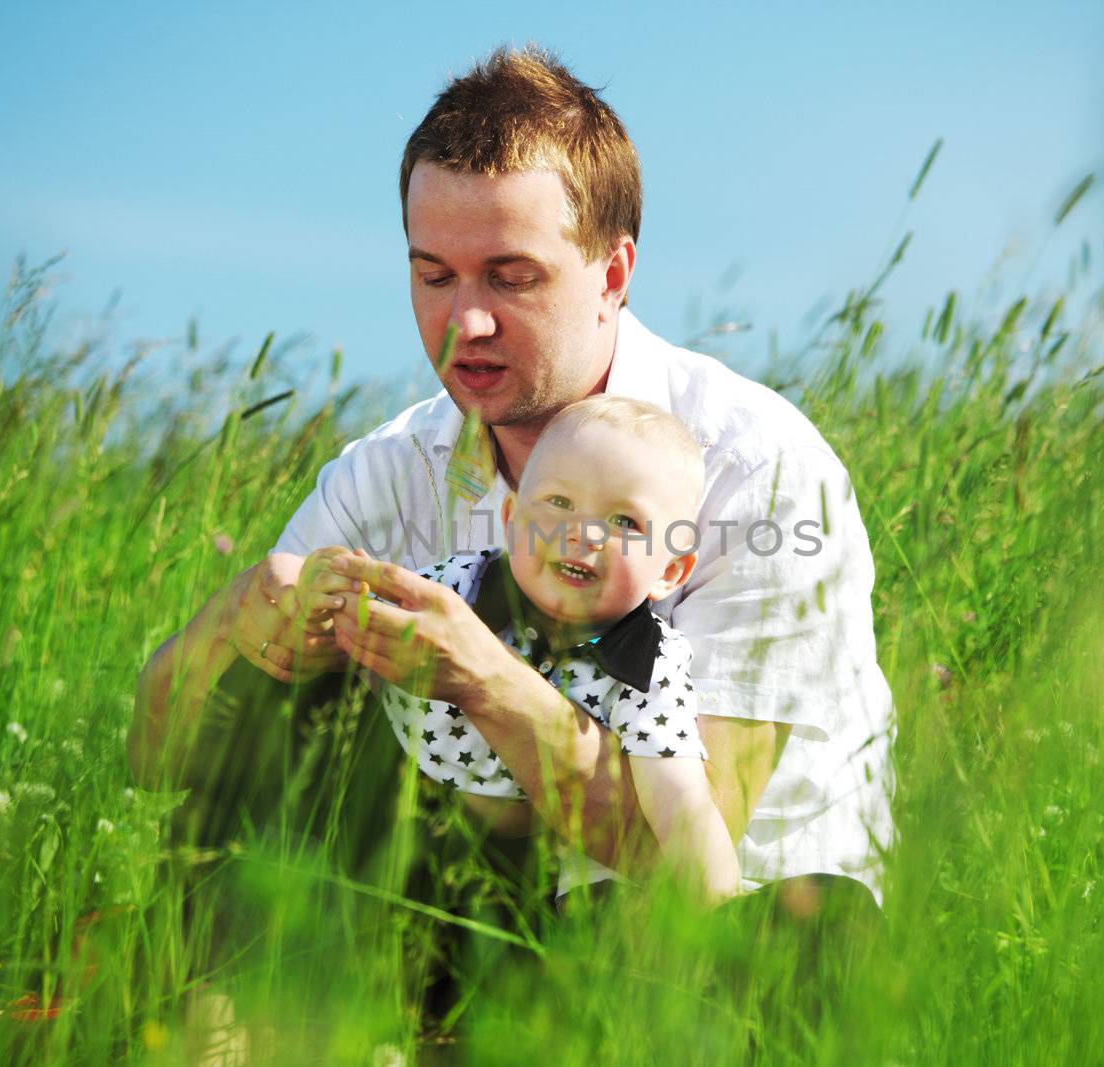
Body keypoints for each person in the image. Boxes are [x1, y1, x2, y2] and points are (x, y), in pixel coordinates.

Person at [129, 43, 892, 918]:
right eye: (433, 275)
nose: (467, 322)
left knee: (813, 936)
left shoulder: (757, 469)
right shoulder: (389, 472)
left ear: (612, 275)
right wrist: (232, 623)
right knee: (295, 667)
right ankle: (233, 1023)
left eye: (511, 276)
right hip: (479, 909)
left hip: (725, 936)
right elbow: (155, 762)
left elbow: (686, 851)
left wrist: (483, 680)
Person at [314, 395, 740, 904]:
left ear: (669, 571)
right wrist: (334, 595)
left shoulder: (648, 666)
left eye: (625, 522)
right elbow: (359, 637)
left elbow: (678, 798)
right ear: (513, 517)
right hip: (389, 805)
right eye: (559, 503)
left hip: (510, 869)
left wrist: (717, 906)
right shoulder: (458, 587)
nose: (582, 533)